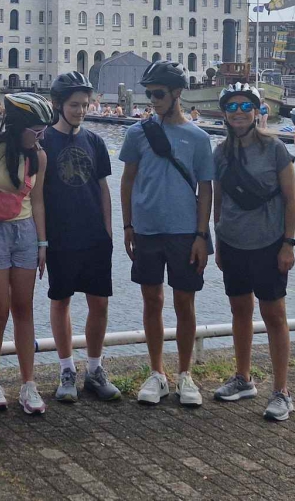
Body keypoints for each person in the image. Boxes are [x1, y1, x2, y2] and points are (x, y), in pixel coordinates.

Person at [119, 60, 214, 407]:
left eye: (158, 94)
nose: (153, 100)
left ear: (177, 93)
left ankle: (185, 373)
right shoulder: (137, 133)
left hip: (185, 232)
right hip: (146, 229)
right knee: (152, 300)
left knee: (184, 302)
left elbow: (206, 189)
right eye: (149, 94)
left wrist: (201, 235)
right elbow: (127, 180)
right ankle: (157, 371)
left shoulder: (199, 138)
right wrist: (127, 225)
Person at [210, 82, 295, 421]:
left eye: (245, 106)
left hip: (269, 243)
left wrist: (288, 243)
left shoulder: (275, 149)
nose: (239, 112)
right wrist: (218, 241)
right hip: (233, 242)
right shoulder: (220, 153)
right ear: (224, 113)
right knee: (240, 311)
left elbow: (291, 199)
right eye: (232, 107)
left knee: (274, 315)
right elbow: (219, 200)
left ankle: (281, 391)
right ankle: (243, 378)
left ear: (257, 110)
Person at [35, 71, 120, 404]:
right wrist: (42, 241)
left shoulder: (95, 141)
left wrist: (108, 231)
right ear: (58, 104)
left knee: (99, 302)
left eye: (85, 105)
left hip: (93, 234)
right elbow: (37, 196)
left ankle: (95, 369)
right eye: (74, 105)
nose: (81, 111)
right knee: (61, 301)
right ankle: (66, 369)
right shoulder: (43, 141)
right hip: (60, 236)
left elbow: (103, 188)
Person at [0, 92, 54, 415]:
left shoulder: (38, 156)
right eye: (36, 131)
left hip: (25, 232)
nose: (40, 137)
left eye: (43, 131)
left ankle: (28, 383)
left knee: (24, 308)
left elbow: (38, 200)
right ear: (19, 125)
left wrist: (42, 244)